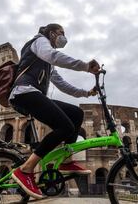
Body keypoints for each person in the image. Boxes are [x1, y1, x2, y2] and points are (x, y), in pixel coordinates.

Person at [9, 23, 100, 199]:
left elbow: (64, 86)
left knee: (76, 114)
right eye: (61, 33)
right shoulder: (39, 42)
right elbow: (53, 55)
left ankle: (66, 160)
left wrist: (86, 93)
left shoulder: (48, 66)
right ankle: (26, 169)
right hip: (23, 92)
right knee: (65, 127)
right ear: (51, 33)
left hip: (33, 94)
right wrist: (85, 66)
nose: (63, 37)